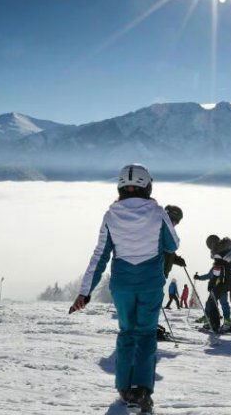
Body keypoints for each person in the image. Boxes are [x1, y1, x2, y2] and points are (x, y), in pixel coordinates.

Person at [69, 164, 180, 414]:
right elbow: (173, 244)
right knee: (146, 334)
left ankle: (124, 388)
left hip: (122, 285)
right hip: (151, 282)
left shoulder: (110, 215)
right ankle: (142, 390)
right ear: (147, 186)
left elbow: (100, 255)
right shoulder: (158, 212)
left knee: (127, 332)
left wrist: (84, 292)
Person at [195, 261, 228, 333]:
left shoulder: (224, 270)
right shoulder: (214, 269)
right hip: (215, 289)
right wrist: (199, 277)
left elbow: (225, 279)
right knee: (209, 304)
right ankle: (208, 318)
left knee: (222, 304)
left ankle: (226, 321)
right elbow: (208, 276)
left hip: (221, 289)